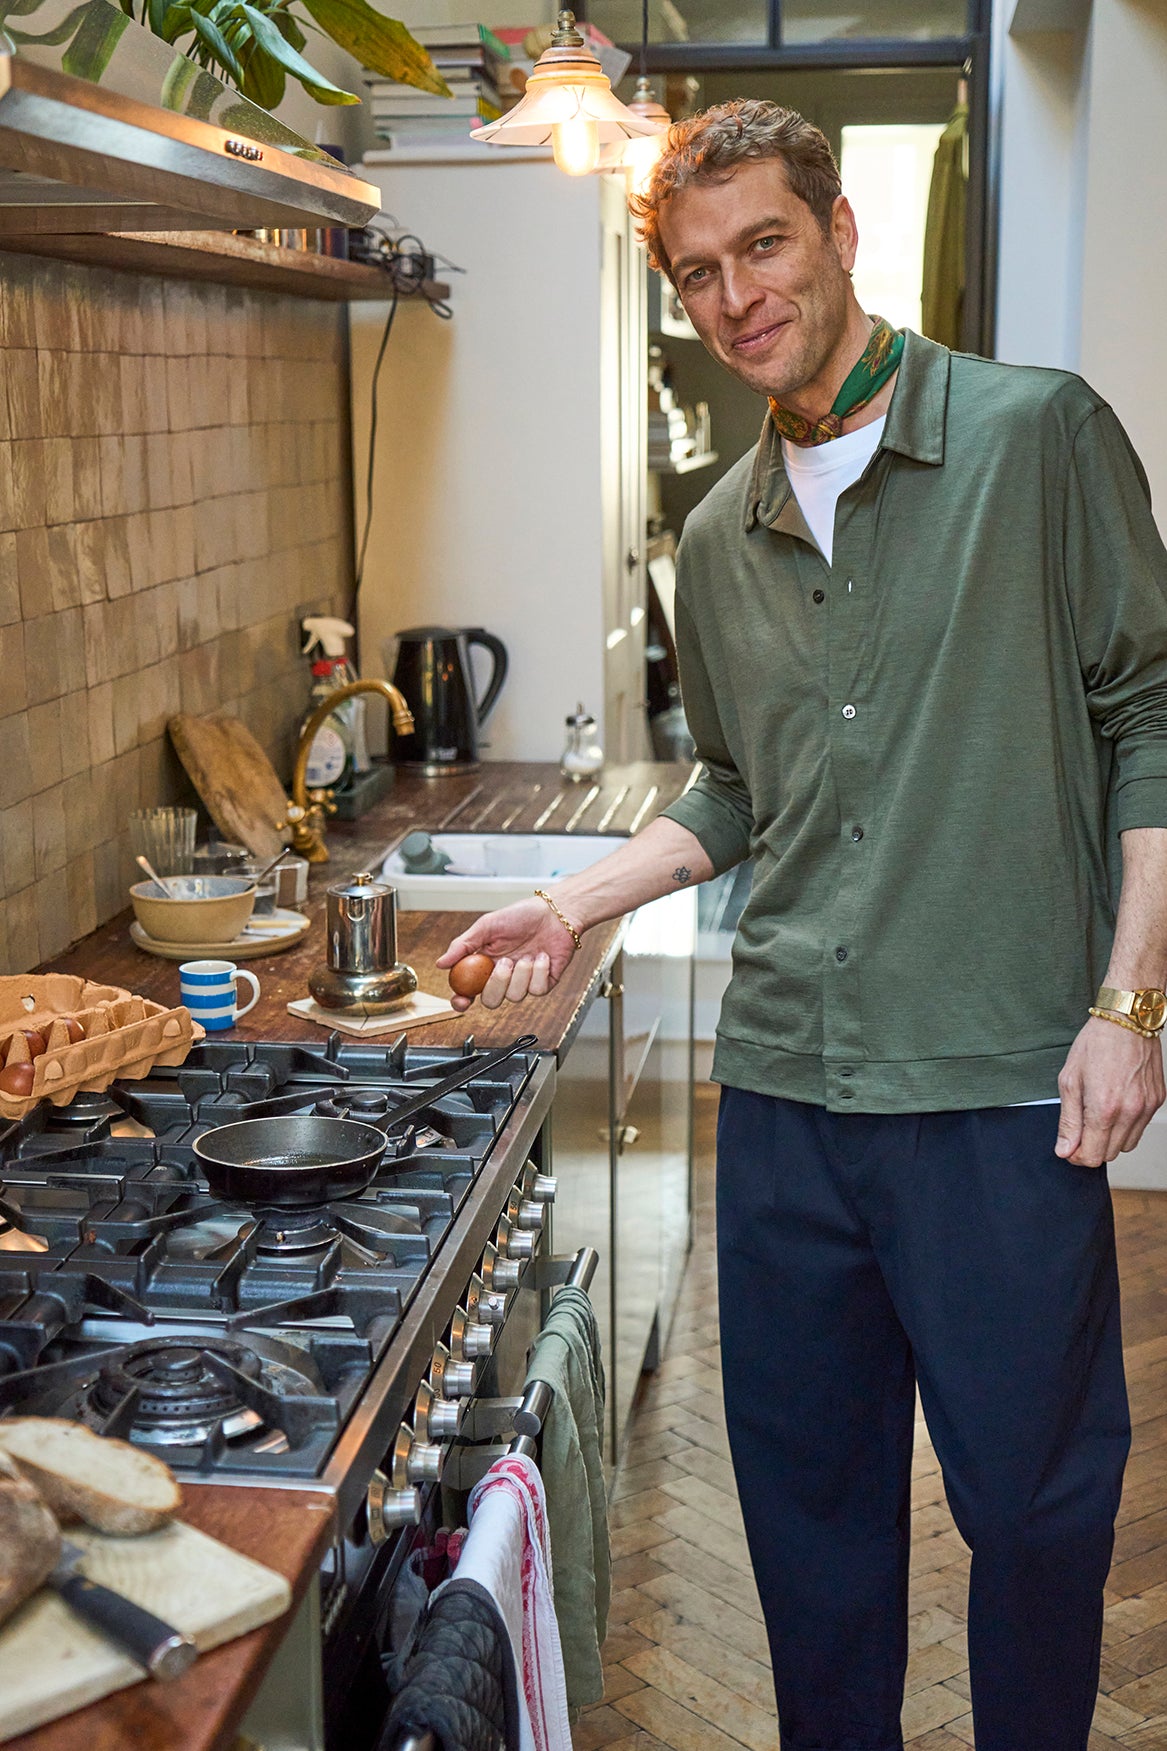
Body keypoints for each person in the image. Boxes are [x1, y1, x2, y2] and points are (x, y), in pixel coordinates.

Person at [437, 100, 1167, 1751]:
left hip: (996, 1090)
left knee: (1038, 1520)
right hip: (783, 1106)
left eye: (763, 245)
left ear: (840, 233)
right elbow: (735, 786)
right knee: (812, 1537)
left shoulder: (1038, 440)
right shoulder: (718, 536)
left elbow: (1153, 711)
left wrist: (1132, 1008)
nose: (735, 296)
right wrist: (566, 900)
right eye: (698, 274)